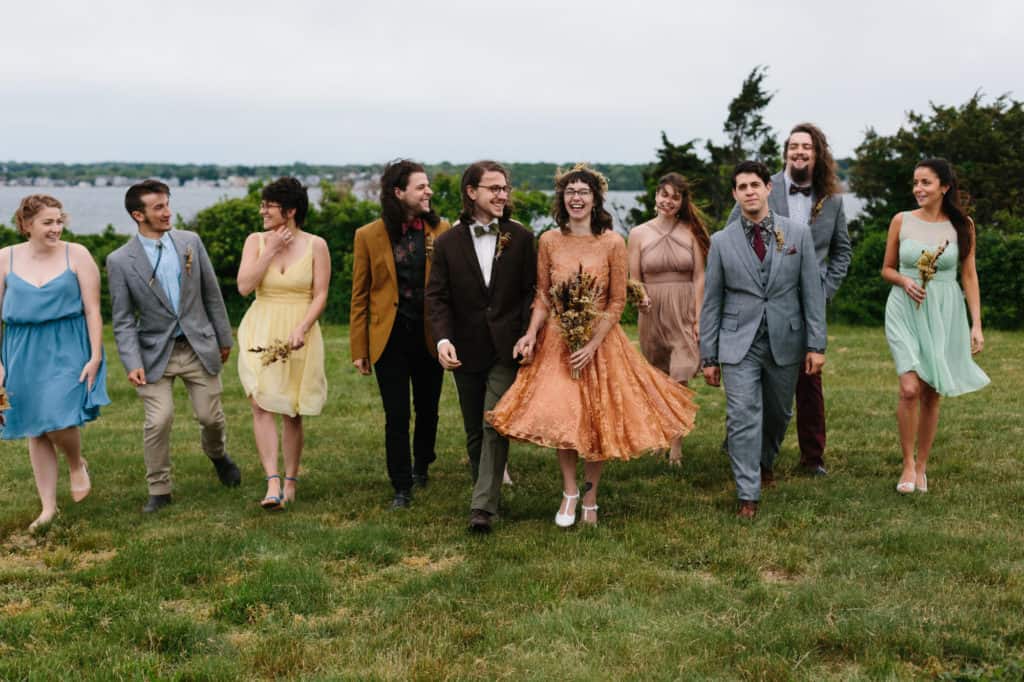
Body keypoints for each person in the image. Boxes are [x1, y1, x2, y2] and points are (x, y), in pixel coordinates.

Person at [487, 164, 698, 527]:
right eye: (570, 192)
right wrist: (532, 333)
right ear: (562, 199)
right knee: (565, 417)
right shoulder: (549, 241)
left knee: (596, 420)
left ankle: (590, 497)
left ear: (595, 199)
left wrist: (592, 343)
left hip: (600, 343)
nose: (577, 198)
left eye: (583, 192)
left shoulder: (613, 242)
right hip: (558, 342)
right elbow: (543, 295)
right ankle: (569, 491)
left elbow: (617, 301)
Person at [701, 161, 826, 518]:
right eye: (742, 187)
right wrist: (708, 355)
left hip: (786, 339)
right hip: (738, 342)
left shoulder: (797, 234)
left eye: (755, 184)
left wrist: (816, 345)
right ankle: (748, 493)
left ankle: (764, 461)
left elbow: (812, 294)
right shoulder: (721, 242)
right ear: (735, 194)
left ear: (768, 188)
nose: (749, 192)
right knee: (742, 414)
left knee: (777, 413)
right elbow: (712, 301)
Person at [107, 179, 239, 513]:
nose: (168, 212)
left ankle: (218, 455)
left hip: (198, 346)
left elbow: (211, 294)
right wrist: (131, 361)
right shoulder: (119, 260)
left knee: (211, 417)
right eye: (158, 207)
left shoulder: (190, 241)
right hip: (153, 354)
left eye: (167, 204)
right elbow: (122, 319)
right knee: (159, 420)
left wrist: (224, 338)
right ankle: (159, 489)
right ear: (138, 215)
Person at [728, 123, 851, 476]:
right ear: (786, 152)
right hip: (764, 301)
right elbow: (733, 237)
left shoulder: (832, 199)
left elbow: (842, 251)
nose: (799, 152)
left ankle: (813, 457)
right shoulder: (760, 188)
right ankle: (750, 449)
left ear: (817, 153)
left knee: (810, 381)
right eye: (794, 146)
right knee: (759, 376)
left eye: (806, 147)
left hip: (808, 306)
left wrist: (824, 290)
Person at [425, 160, 537, 533]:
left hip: (507, 348)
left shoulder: (521, 238)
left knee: (495, 423)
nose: (502, 195)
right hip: (465, 348)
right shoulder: (446, 242)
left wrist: (527, 334)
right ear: (472, 192)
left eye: (505, 188)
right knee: (474, 429)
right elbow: (437, 297)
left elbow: (530, 292)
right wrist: (443, 339)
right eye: (494, 188)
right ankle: (485, 490)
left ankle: (482, 508)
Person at [0, 195, 110, 531]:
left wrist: (95, 355)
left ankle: (76, 464)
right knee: (35, 426)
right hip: (20, 349)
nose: (56, 228)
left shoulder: (77, 254)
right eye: (48, 222)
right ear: (26, 224)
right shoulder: (5, 258)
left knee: (58, 417)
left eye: (59, 221)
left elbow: (93, 310)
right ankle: (48, 507)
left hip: (67, 344)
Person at [881, 158, 989, 494]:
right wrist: (904, 280)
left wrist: (976, 324)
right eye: (915, 182)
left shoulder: (963, 225)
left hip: (945, 310)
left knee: (931, 391)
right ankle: (907, 463)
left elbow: (968, 275)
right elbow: (886, 269)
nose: (918, 188)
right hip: (904, 308)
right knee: (909, 388)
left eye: (925, 182)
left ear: (944, 186)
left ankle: (922, 466)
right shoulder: (901, 220)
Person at [350, 160, 450, 509]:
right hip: (389, 338)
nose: (428, 192)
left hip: (430, 336)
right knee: (396, 415)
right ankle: (401, 485)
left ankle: (422, 464)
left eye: (427, 186)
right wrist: (359, 348)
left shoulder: (441, 231)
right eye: (421, 187)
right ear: (398, 192)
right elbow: (360, 295)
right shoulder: (368, 235)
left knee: (428, 409)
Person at [236, 178, 329, 510]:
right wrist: (271, 250)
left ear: (290, 211)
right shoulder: (256, 241)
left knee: (291, 408)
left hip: (298, 330)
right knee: (260, 402)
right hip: (260, 327)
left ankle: (291, 481)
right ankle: (271, 481)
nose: (262, 211)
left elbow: (320, 294)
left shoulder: (317, 245)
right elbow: (244, 286)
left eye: (269, 206)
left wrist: (303, 327)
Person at [627, 172, 710, 466]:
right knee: (659, 377)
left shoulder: (691, 231)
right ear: (656, 196)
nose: (668, 201)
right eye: (664, 195)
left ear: (682, 201)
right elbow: (634, 278)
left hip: (684, 309)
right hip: (652, 311)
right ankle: (661, 434)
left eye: (675, 197)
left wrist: (699, 317)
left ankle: (676, 443)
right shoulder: (638, 233)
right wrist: (641, 298)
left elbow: (699, 277)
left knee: (680, 376)